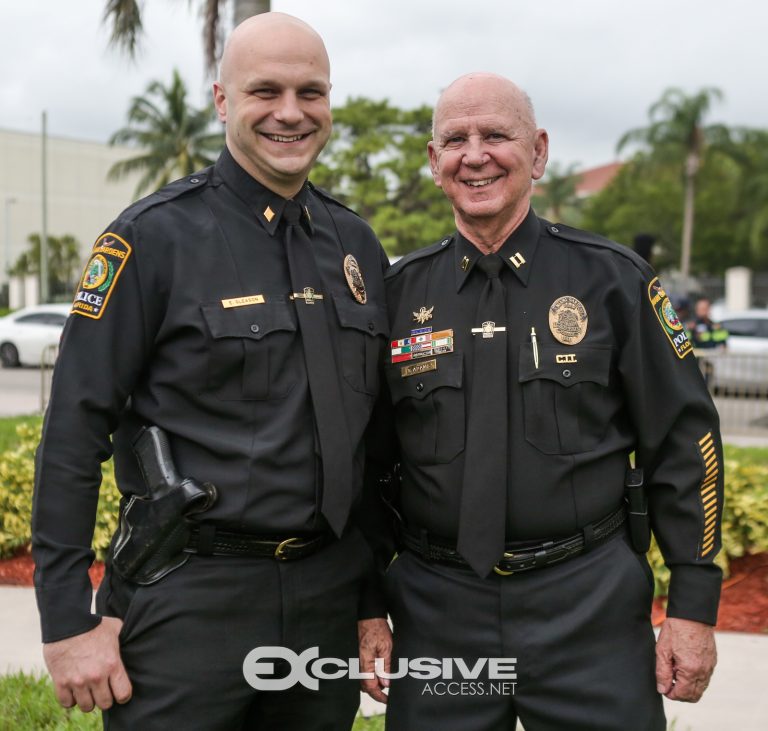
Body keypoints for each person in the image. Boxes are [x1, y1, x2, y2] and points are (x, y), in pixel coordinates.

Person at [31, 13, 391, 730]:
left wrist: (371, 596)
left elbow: (373, 441)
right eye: (266, 91)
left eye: (310, 92)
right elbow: (73, 427)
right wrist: (68, 618)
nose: (291, 112)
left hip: (324, 598)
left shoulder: (355, 245)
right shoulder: (152, 237)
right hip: (190, 596)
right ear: (223, 101)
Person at [367, 73, 723, 730]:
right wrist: (367, 604)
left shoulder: (613, 280)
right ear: (434, 160)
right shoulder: (396, 295)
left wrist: (693, 604)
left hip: (588, 604)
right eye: (456, 139)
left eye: (497, 135)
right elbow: (368, 461)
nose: (475, 154)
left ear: (538, 152)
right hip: (439, 608)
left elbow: (685, 440)